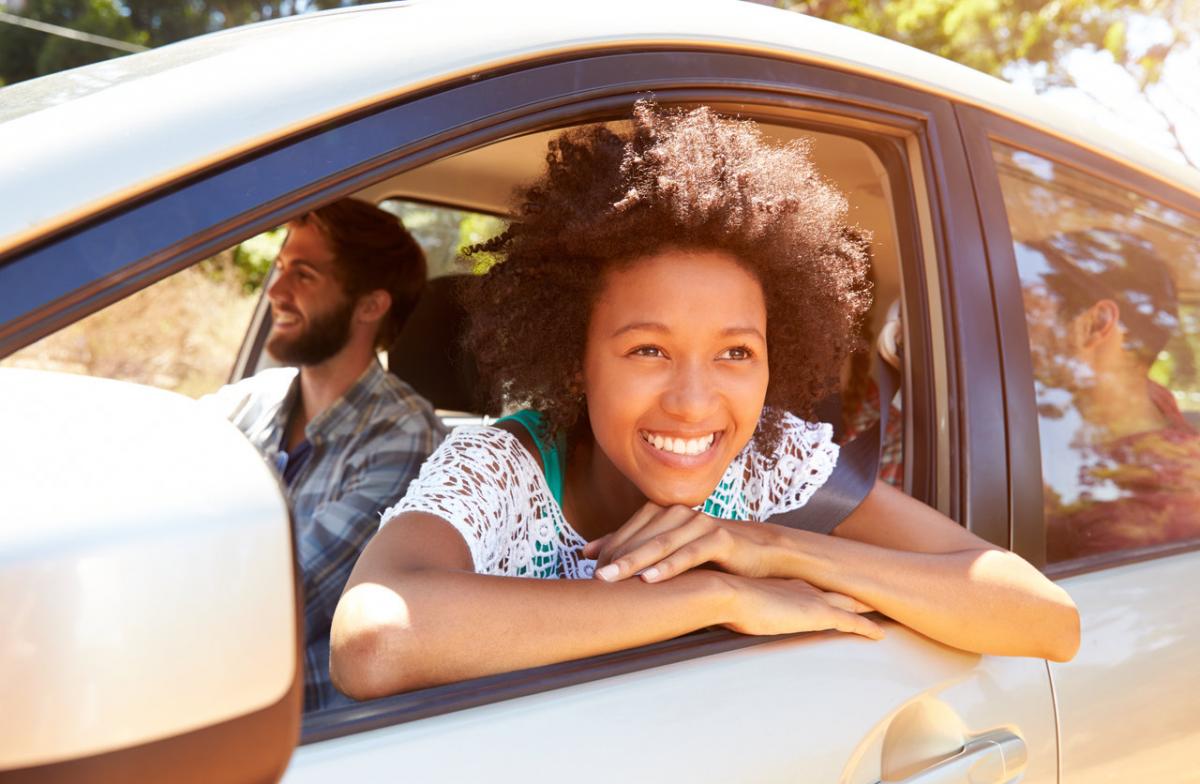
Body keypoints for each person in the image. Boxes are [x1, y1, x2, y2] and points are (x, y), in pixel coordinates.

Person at [329, 103, 1078, 700]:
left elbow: (1046, 620)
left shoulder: (772, 459)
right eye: (648, 350)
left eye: (735, 353)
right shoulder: (501, 470)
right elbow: (374, 642)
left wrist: (773, 547)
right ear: (575, 360)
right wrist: (715, 597)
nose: (694, 404)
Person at [204, 198, 445, 710]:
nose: (276, 291)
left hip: (294, 733)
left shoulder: (404, 437)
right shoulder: (250, 400)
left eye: (304, 275)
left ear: (370, 306)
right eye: (282, 268)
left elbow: (274, 606)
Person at [1019, 229, 1200, 561]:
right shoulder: (1147, 402)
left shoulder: (1138, 510)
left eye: (1027, 312)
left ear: (1096, 323)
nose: (1013, 332)